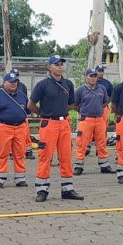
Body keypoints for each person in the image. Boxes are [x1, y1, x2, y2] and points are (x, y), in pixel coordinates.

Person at [28, 55, 84, 202]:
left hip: (63, 123)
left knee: (66, 156)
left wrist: (60, 112)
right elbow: (31, 105)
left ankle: (67, 189)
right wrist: (44, 114)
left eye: (61, 64)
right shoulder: (42, 85)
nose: (60, 66)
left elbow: (71, 104)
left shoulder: (68, 84)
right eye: (56, 64)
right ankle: (42, 190)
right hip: (49, 124)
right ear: (49, 67)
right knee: (45, 156)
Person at [0, 70, 29, 188]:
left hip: (20, 128)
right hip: (3, 127)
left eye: (15, 82)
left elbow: (27, 110)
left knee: (20, 154)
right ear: (4, 82)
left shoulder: (22, 95)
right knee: (0, 153)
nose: (13, 84)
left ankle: (20, 178)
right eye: (10, 82)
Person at [73, 69, 115, 175]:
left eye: (95, 76)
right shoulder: (80, 91)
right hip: (86, 120)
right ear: (86, 77)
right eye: (91, 76)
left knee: (101, 142)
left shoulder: (102, 89)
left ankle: (104, 165)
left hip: (99, 120)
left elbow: (105, 102)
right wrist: (84, 112)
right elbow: (75, 105)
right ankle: (78, 166)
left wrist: (99, 109)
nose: (93, 78)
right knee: (82, 143)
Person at [85, 64, 114, 156]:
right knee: (89, 129)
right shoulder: (90, 83)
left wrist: (104, 105)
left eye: (102, 71)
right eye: (99, 71)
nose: (100, 73)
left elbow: (110, 96)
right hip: (90, 109)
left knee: (102, 129)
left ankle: (100, 148)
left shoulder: (107, 83)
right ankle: (87, 147)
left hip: (103, 108)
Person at [12, 69, 36, 161]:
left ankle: (29, 152)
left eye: (17, 75)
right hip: (10, 115)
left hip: (22, 114)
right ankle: (12, 153)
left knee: (26, 134)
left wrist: (28, 113)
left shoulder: (22, 87)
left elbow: (26, 100)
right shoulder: (4, 86)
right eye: (14, 75)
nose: (16, 77)